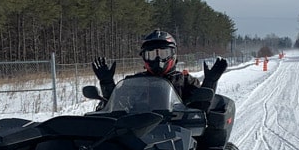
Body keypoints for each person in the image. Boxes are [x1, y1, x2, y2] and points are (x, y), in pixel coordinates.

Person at [92, 30, 227, 103]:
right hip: (138, 138)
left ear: (173, 55)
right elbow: (116, 105)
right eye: (151, 54)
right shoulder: (133, 83)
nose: (158, 59)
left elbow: (202, 105)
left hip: (179, 136)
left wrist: (210, 82)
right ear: (144, 57)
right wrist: (107, 83)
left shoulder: (185, 81)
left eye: (163, 53)